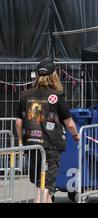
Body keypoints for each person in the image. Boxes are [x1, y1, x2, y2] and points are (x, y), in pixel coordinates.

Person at [15, 59, 80, 203]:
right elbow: (69, 123)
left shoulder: (25, 95)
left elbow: (18, 123)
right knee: (46, 187)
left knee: (40, 184)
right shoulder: (56, 96)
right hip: (51, 145)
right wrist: (76, 135)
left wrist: (22, 142)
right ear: (54, 76)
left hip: (32, 145)